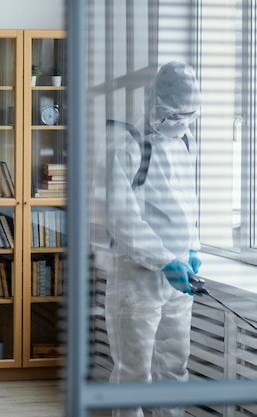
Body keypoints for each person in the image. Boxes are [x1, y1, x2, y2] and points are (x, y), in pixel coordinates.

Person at [91, 61, 203, 417]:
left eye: (189, 113)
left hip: (177, 278)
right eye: (175, 113)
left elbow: (187, 202)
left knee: (174, 368)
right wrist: (164, 259)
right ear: (155, 104)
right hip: (136, 281)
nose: (182, 120)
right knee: (134, 373)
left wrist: (192, 248)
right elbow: (123, 220)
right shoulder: (125, 149)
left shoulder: (184, 143)